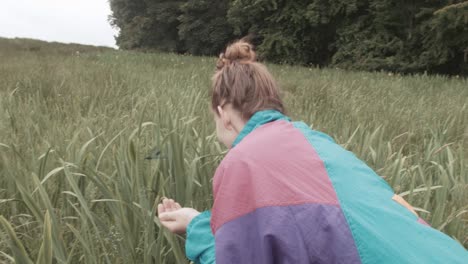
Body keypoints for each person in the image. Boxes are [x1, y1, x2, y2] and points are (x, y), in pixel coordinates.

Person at [157, 40, 468, 264]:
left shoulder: (244, 159)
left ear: (223, 112)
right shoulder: (318, 142)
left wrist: (196, 229)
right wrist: (198, 221)